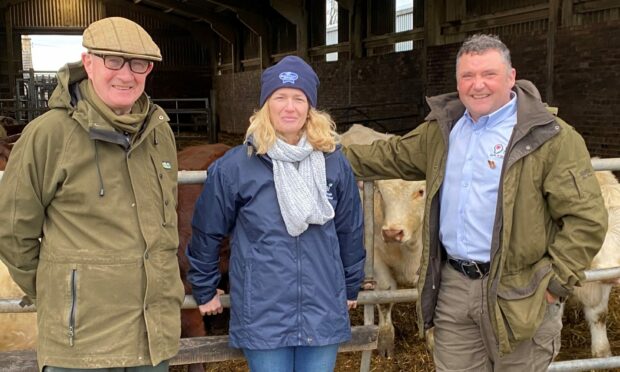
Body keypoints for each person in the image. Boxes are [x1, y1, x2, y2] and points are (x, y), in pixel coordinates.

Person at [343, 34, 608, 371]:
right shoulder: (443, 130)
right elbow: (389, 155)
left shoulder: (550, 137)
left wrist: (554, 285)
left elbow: (587, 219)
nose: (477, 85)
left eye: (489, 74)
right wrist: (320, 151)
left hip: (520, 290)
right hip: (455, 287)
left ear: (511, 77)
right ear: (457, 81)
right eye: (468, 76)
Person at [0, 17, 183, 371]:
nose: (125, 75)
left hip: (152, 340)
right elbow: (11, 231)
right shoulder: (48, 135)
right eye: (112, 60)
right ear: (88, 62)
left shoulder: (160, 133)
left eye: (138, 64)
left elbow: (164, 229)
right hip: (81, 347)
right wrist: (62, 292)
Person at [186, 55, 366, 372]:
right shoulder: (236, 165)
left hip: (322, 304)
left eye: (299, 98)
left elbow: (349, 229)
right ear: (265, 105)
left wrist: (350, 285)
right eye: (279, 97)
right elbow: (207, 230)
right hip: (262, 310)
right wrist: (204, 287)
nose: (289, 107)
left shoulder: (334, 161)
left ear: (311, 107)